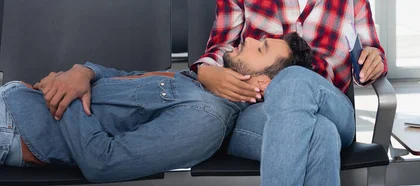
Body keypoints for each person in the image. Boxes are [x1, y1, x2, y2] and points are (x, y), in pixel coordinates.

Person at [0, 33, 312, 182]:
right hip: (14, 98)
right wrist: (82, 72)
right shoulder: (201, 84)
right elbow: (124, 80)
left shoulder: (206, 119)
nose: (250, 39)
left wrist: (64, 96)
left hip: (12, 129)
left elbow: (102, 163)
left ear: (262, 84)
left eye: (263, 48)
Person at [191, 0, 387, 185]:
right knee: (322, 133)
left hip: (331, 105)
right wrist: (205, 70)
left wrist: (374, 59)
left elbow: (371, 49)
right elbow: (222, 48)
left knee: (293, 79)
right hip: (260, 111)